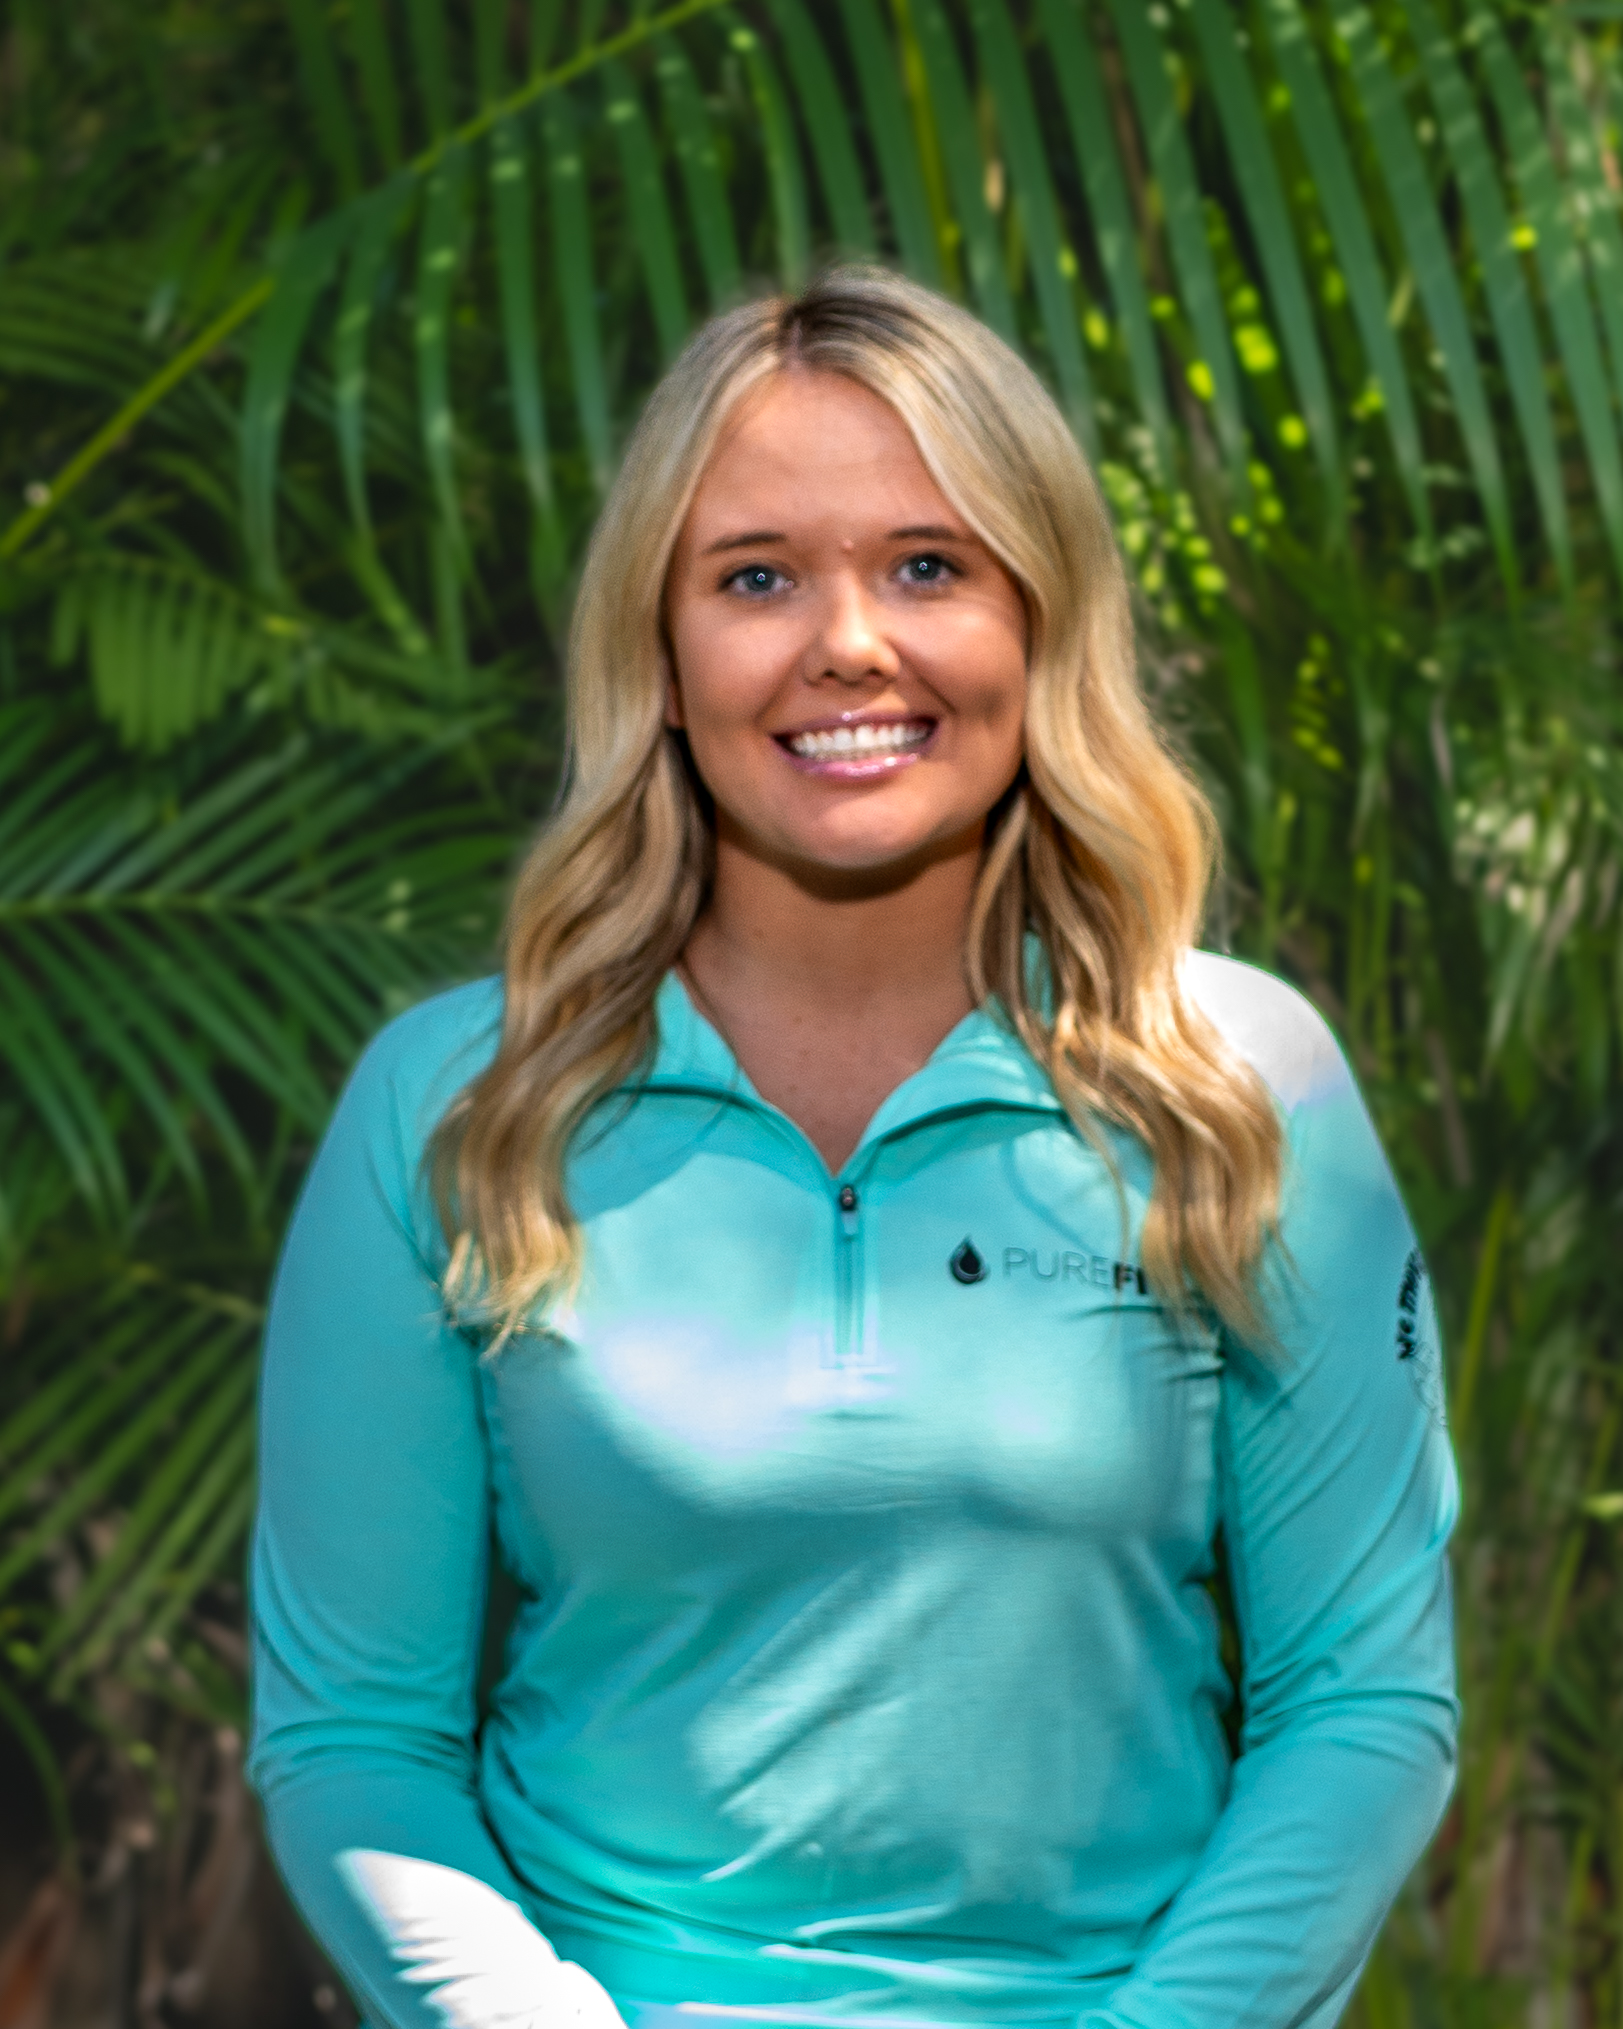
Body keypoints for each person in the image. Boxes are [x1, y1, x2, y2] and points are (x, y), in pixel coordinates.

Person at [248, 266, 1458, 2029]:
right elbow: (358, 1737)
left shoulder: (1246, 1087)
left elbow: (1364, 1699)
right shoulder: (452, 1110)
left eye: (928, 564)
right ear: (659, 657)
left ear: (1037, 623)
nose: (849, 642)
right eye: (756, 577)